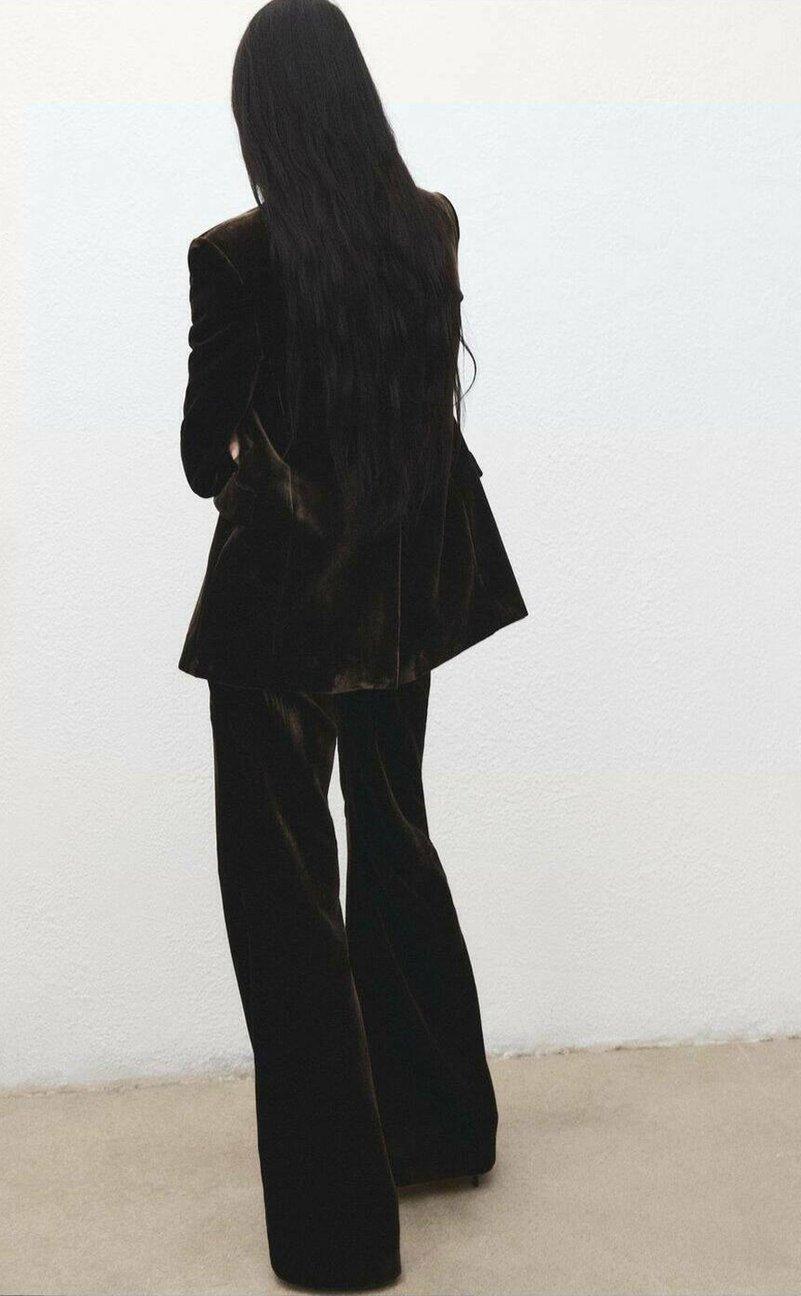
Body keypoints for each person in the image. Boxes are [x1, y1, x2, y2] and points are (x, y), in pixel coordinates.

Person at [177, 0, 527, 1287]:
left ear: (262, 118)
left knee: (286, 911)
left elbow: (201, 456)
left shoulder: (233, 257)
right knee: (394, 835)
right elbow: (420, 413)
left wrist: (256, 454)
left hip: (280, 620)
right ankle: (439, 1134)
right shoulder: (428, 224)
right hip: (400, 601)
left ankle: (337, 1238)